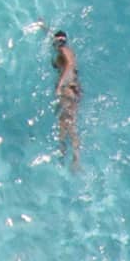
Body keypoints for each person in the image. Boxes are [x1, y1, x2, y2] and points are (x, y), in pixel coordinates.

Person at [51, 29, 81, 169]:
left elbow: (69, 65)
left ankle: (75, 158)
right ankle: (66, 155)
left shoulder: (63, 50)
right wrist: (44, 26)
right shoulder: (67, 49)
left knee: (68, 123)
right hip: (73, 89)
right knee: (64, 122)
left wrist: (60, 84)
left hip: (68, 89)